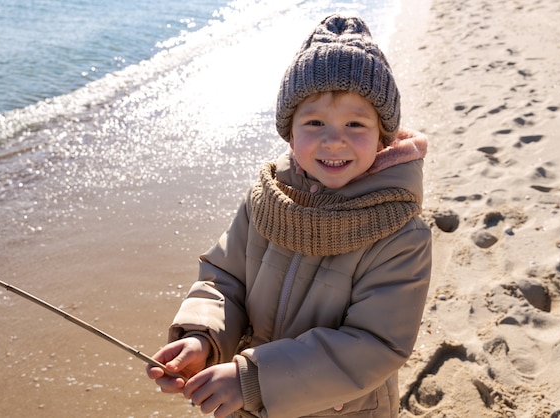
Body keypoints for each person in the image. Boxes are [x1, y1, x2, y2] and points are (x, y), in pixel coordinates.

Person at [146, 13, 432, 418]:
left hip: (343, 409)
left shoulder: (400, 230)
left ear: (384, 135)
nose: (334, 140)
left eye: (356, 123)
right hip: (249, 401)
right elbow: (224, 279)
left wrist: (254, 379)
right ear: (290, 131)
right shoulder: (268, 198)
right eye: (314, 122)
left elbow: (375, 343)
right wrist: (203, 337)